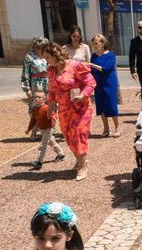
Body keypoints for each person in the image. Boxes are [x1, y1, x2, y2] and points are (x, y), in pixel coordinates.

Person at [43, 43, 96, 182]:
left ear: (55, 54)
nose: (47, 61)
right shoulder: (51, 70)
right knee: (68, 136)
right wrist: (49, 107)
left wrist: (83, 95)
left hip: (80, 107)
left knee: (78, 133)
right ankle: (81, 160)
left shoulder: (74, 65)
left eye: (48, 57)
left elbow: (90, 83)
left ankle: (82, 168)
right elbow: (52, 90)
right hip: (64, 109)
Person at [89, 33, 120, 137]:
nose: (95, 45)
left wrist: (92, 65)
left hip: (109, 82)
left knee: (111, 104)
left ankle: (117, 128)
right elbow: (91, 70)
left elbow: (106, 69)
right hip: (98, 83)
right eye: (93, 44)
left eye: (96, 43)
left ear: (103, 43)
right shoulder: (94, 56)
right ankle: (106, 129)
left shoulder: (110, 55)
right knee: (101, 105)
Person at [26, 90, 65, 169]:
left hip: (48, 129)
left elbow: (54, 115)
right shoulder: (35, 109)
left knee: (43, 145)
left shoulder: (46, 108)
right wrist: (29, 129)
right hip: (42, 129)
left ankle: (39, 161)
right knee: (51, 142)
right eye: (35, 97)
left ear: (44, 99)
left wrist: (53, 119)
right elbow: (33, 120)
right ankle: (61, 154)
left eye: (39, 97)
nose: (36, 99)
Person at [21, 36, 50, 141]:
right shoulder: (29, 57)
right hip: (36, 86)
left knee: (49, 107)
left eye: (43, 46)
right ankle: (34, 131)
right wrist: (27, 88)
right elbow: (25, 73)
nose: (41, 49)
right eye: (40, 47)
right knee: (35, 109)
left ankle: (47, 131)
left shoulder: (47, 55)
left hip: (48, 85)